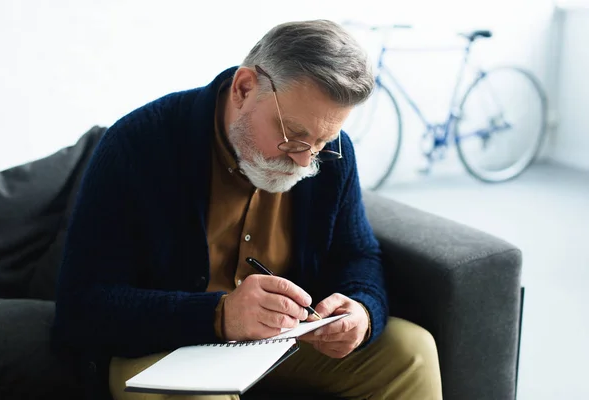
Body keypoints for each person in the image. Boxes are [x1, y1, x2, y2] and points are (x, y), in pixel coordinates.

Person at [51, 19, 442, 400]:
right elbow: (82, 304)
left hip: (284, 339)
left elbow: (358, 253)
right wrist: (218, 315)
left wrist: (361, 309)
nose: (306, 162)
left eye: (324, 142)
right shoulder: (137, 145)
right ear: (243, 88)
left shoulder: (333, 156)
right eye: (292, 136)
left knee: (413, 353)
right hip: (164, 345)